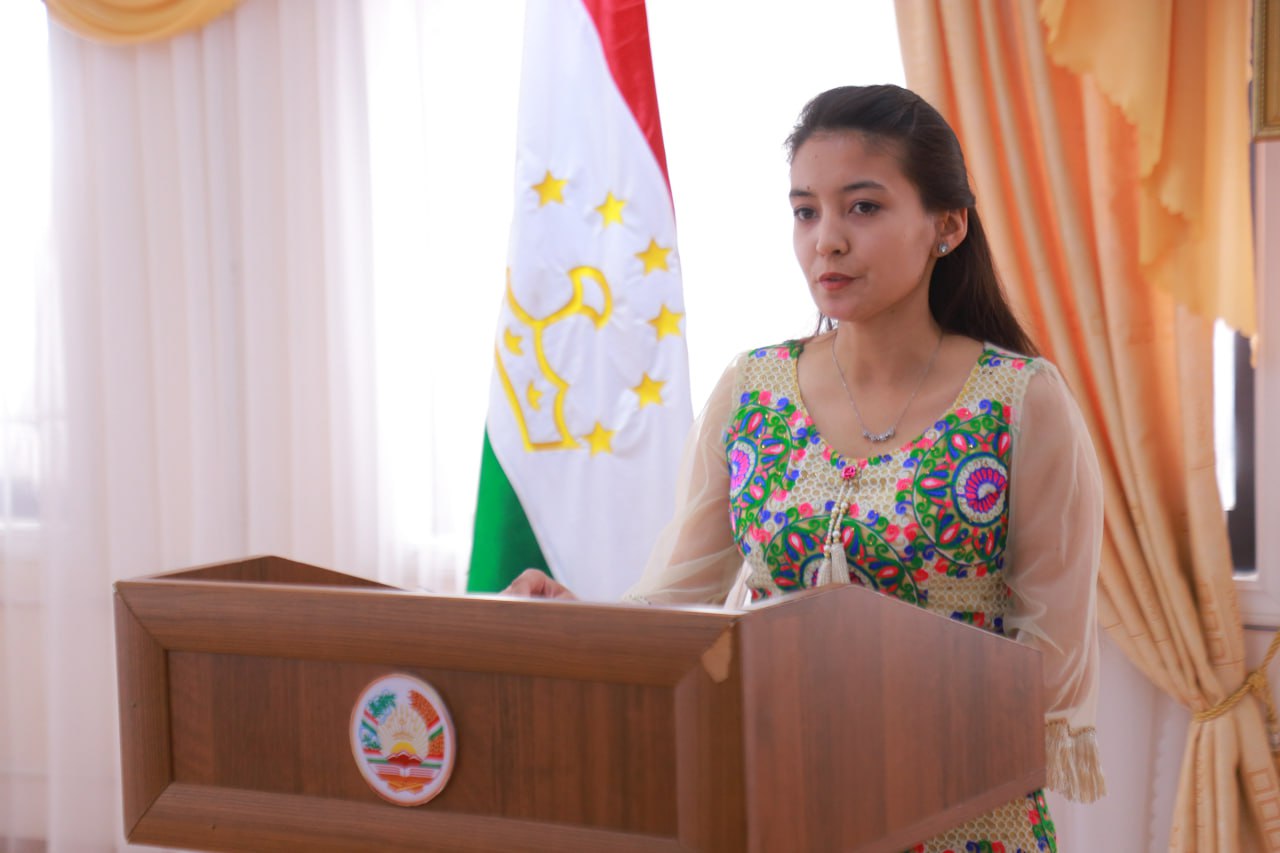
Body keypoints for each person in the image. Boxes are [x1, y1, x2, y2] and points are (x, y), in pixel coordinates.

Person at [505, 84, 1104, 851]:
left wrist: (879, 721)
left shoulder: (1022, 400)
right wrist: (576, 618)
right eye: (805, 211)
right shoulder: (750, 389)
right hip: (781, 809)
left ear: (948, 225)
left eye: (863, 207)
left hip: (960, 814)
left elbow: (1047, 669)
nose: (828, 240)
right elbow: (675, 602)